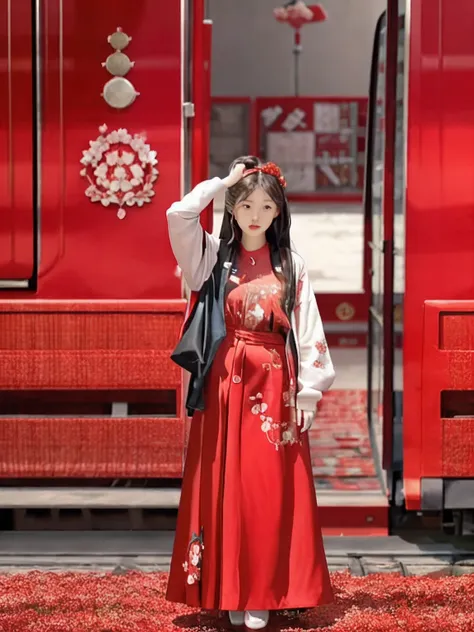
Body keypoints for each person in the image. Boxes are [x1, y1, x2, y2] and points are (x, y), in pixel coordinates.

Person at [165, 156, 335, 630]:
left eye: (265, 205)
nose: (255, 214)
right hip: (223, 389)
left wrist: (309, 393)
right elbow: (177, 214)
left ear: (278, 212)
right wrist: (224, 181)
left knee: (266, 490)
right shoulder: (210, 258)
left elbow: (307, 328)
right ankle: (227, 590)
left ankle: (262, 591)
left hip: (275, 389)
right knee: (222, 484)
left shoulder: (291, 264)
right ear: (232, 210)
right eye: (245, 205)